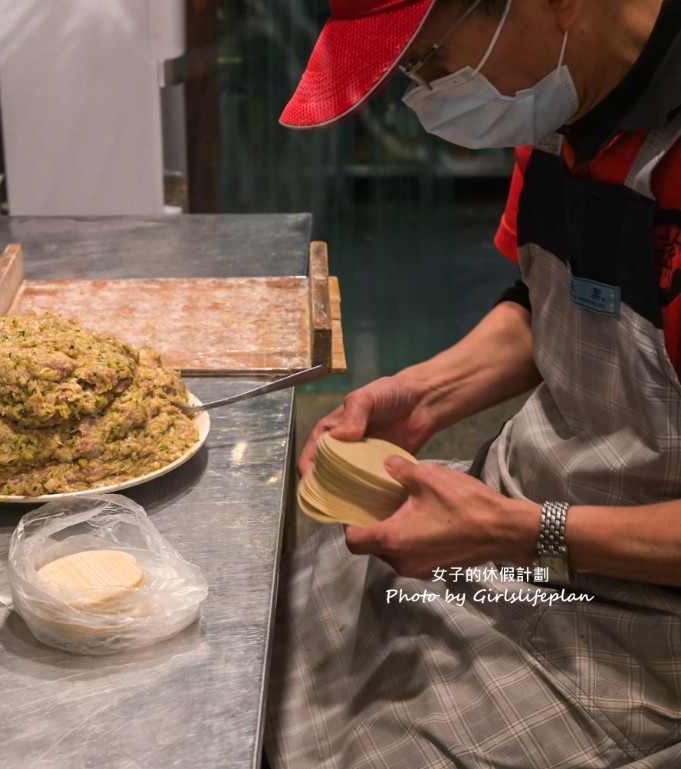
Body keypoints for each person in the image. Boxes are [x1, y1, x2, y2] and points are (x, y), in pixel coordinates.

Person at [265, 0, 681, 767]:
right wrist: (424, 395)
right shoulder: (565, 95)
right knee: (265, 658)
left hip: (640, 615)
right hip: (515, 516)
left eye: (424, 59)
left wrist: (514, 532)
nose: (420, 92)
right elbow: (554, 305)